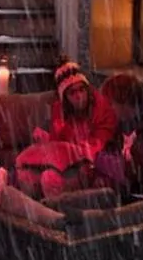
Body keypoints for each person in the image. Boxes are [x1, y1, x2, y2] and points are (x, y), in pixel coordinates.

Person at [15, 60, 122, 197]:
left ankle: (59, 214)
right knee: (28, 175)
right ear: (64, 98)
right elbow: (57, 149)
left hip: (92, 167)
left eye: (81, 90)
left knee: (50, 179)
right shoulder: (60, 112)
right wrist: (47, 140)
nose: (79, 96)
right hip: (67, 165)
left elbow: (100, 145)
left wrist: (74, 150)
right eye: (72, 93)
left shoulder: (102, 109)